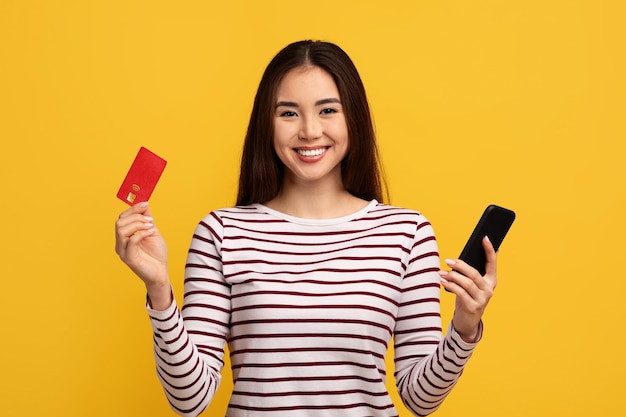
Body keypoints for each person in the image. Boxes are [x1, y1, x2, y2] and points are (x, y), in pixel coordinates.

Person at [115, 40, 497, 417]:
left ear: (354, 118)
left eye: (328, 109)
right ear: (267, 124)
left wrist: (464, 329)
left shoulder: (407, 233)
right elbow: (190, 400)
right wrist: (159, 290)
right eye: (288, 113)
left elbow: (420, 399)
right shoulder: (221, 233)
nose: (310, 131)